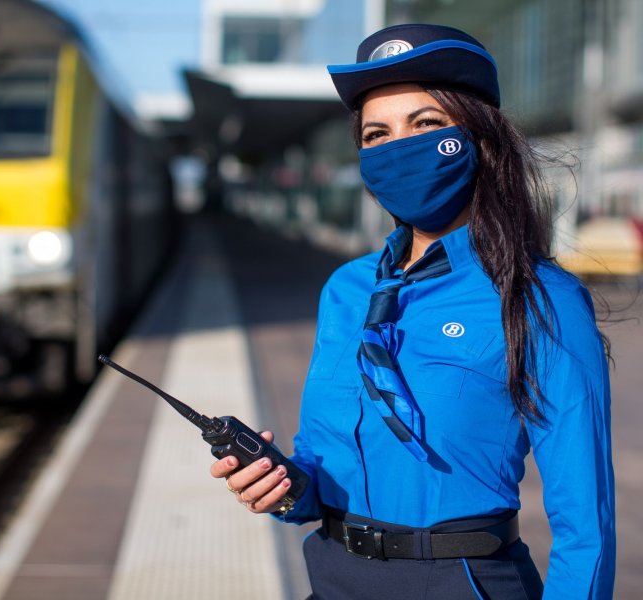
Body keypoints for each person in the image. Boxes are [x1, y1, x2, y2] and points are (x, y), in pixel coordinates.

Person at [210, 23, 615, 599]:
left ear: (479, 137)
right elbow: (318, 476)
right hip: (332, 578)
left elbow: (586, 529)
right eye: (376, 133)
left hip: (461, 582)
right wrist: (279, 484)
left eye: (425, 124)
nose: (397, 145)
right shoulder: (346, 290)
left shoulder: (539, 296)